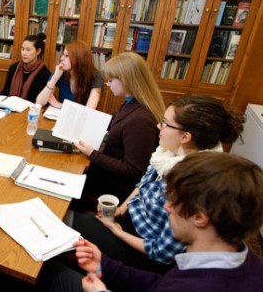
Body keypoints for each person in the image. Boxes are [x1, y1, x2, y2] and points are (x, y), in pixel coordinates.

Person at [70, 95, 245, 272]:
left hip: (138, 251)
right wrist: (121, 210)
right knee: (66, 221)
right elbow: (143, 183)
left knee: (65, 224)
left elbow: (161, 253)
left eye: (165, 123)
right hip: (127, 222)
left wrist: (117, 231)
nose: (158, 126)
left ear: (185, 136)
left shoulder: (194, 184)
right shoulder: (168, 153)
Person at [48, 152, 263, 292]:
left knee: (50, 273)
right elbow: (160, 284)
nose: (167, 207)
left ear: (199, 217)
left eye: (174, 202)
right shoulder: (244, 261)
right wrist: (106, 265)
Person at [71, 52, 165, 213]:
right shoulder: (131, 104)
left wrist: (92, 154)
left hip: (115, 186)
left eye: (111, 80)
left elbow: (133, 170)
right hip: (107, 173)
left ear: (127, 80)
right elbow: (114, 122)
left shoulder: (140, 120)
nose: (107, 84)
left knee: (66, 178)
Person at [36, 41, 103, 109]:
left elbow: (90, 108)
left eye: (67, 56)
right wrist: (54, 78)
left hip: (82, 117)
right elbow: (39, 102)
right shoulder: (61, 72)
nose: (61, 58)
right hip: (62, 113)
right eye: (63, 55)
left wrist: (64, 107)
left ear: (79, 59)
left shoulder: (95, 75)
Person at [0, 33, 51, 102]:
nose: (24, 53)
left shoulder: (45, 74)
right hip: (9, 106)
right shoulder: (14, 68)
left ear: (38, 51)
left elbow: (40, 101)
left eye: (28, 50)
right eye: (23, 49)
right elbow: (5, 92)